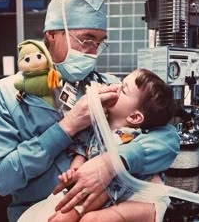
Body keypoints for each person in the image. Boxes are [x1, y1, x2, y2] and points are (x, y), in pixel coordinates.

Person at [0, 0, 180, 222]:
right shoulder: (7, 95)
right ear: (52, 35)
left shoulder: (109, 87)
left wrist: (110, 164)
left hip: (107, 208)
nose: (93, 52)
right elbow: (1, 179)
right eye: (86, 40)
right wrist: (67, 127)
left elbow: (167, 138)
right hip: (42, 212)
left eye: (99, 42)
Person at [47, 68, 178, 222]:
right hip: (111, 198)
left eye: (123, 89)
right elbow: (83, 147)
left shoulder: (126, 139)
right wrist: (75, 170)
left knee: (92, 220)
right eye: (120, 83)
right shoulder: (98, 125)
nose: (115, 87)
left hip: (138, 198)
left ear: (134, 117)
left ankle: (149, 215)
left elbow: (109, 182)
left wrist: (74, 212)